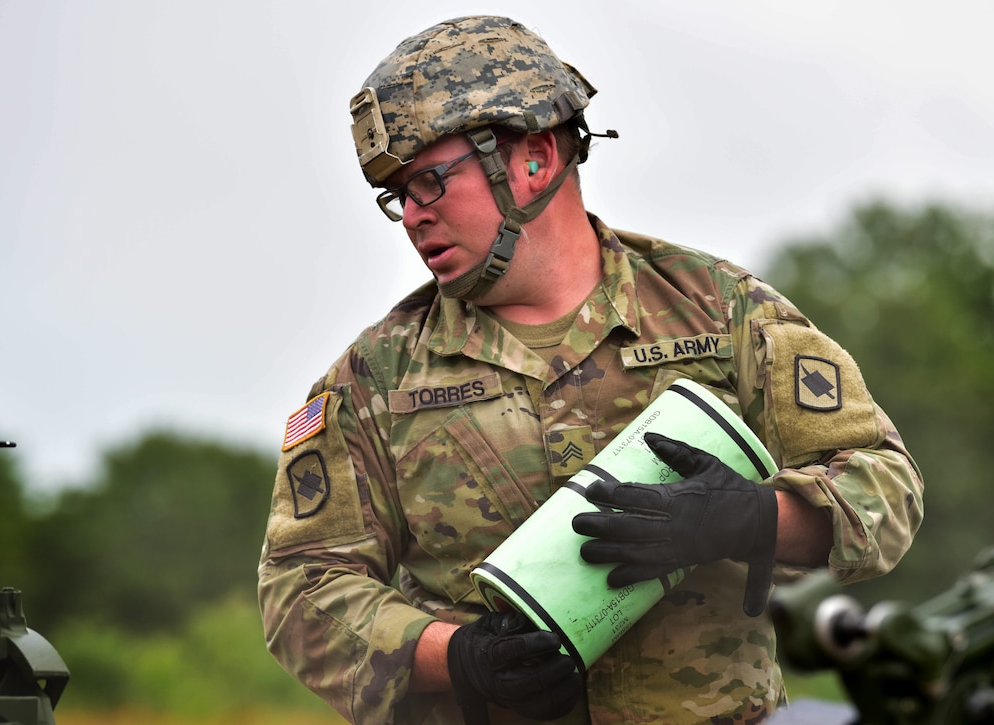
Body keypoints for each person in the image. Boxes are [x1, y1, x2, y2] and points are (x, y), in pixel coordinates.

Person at [257, 15, 923, 725]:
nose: (413, 216)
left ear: (536, 159)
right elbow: (300, 586)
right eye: (398, 196)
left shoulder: (722, 311)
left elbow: (885, 484)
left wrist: (751, 518)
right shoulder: (373, 378)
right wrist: (458, 656)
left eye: (429, 181)